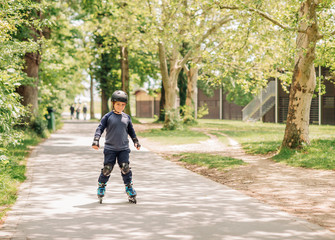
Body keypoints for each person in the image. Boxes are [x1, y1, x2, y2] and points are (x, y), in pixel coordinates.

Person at [92, 90, 141, 203]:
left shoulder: (127, 117)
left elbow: (131, 131)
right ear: (113, 103)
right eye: (118, 104)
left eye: (123, 105)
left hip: (123, 148)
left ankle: (129, 187)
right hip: (110, 148)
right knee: (107, 169)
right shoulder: (108, 116)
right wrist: (96, 140)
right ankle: (101, 185)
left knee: (125, 167)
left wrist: (135, 141)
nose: (120, 106)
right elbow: (100, 128)